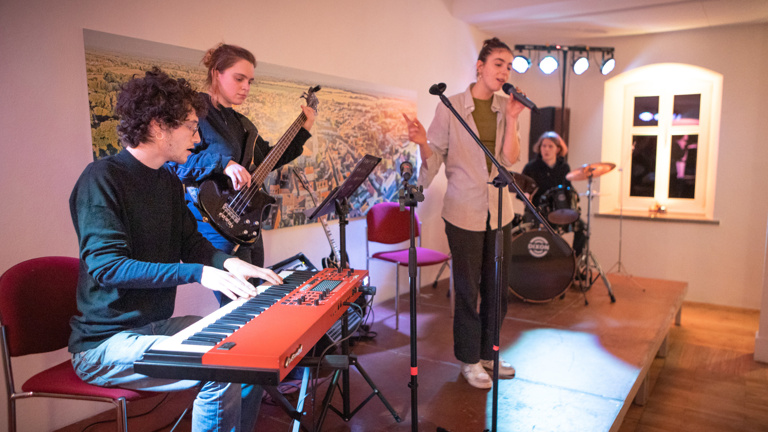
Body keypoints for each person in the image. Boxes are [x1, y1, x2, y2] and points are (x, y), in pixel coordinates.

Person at [69, 68, 284, 432]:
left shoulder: (168, 181)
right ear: (157, 125)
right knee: (221, 365)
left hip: (155, 328)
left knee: (240, 345)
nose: (198, 138)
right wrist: (200, 273)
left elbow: (191, 243)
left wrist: (232, 263)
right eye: (190, 126)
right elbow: (109, 267)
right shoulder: (101, 179)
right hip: (104, 345)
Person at [404, 37, 526, 389]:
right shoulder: (452, 106)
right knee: (468, 288)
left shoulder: (506, 107)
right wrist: (422, 142)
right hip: (463, 211)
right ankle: (469, 360)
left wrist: (515, 119)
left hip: (499, 210)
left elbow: (509, 160)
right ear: (480, 66)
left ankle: (490, 353)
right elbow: (437, 154)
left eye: (509, 66)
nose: (504, 71)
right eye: (499, 63)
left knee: (497, 289)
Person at [168, 43, 315, 305]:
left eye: (250, 81)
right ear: (216, 74)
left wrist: (303, 128)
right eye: (239, 78)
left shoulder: (242, 124)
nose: (246, 86)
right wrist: (224, 163)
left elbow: (270, 158)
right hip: (212, 221)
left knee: (255, 296)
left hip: (245, 220)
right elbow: (178, 162)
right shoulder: (195, 113)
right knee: (238, 304)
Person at [521, 131, 586, 257]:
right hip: (537, 212)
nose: (546, 149)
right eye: (543, 146)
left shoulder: (564, 167)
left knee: (582, 227)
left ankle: (574, 262)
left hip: (558, 212)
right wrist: (526, 195)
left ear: (558, 149)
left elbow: (568, 189)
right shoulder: (531, 167)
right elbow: (521, 190)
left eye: (550, 146)